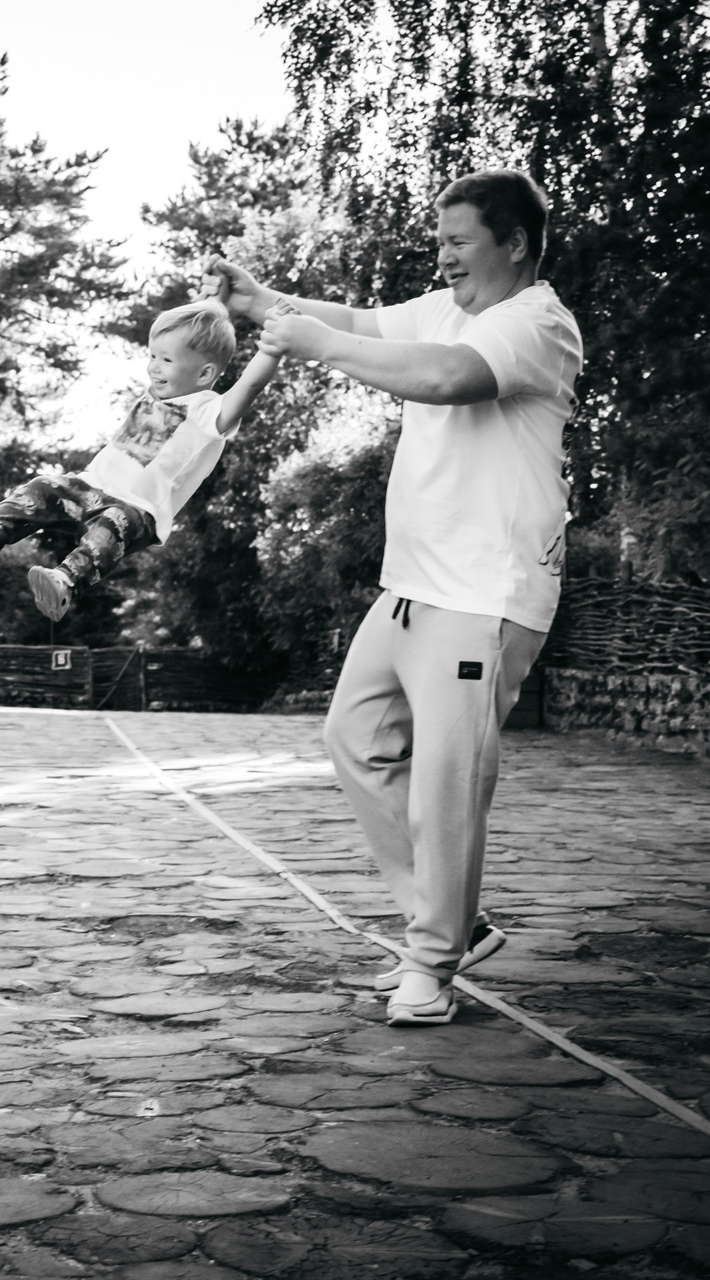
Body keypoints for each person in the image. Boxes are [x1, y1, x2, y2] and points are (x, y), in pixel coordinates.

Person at [205, 170, 583, 1026]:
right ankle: (453, 923)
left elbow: (446, 378)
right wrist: (263, 302)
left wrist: (315, 345)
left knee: (447, 783)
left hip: (484, 594)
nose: (442, 255)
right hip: (413, 584)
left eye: (459, 241)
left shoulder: (536, 323)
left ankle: (432, 962)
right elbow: (356, 321)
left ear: (514, 243)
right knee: (356, 737)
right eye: (439, 240)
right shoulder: (444, 308)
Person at [0, 300, 286, 620]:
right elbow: (198, 327)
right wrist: (218, 299)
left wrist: (274, 343)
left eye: (166, 360)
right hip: (91, 486)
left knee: (112, 524)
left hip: (138, 511)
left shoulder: (210, 412)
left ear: (205, 374)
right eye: (152, 356)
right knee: (42, 487)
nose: (154, 367)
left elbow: (250, 386)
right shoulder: (159, 391)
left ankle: (65, 583)